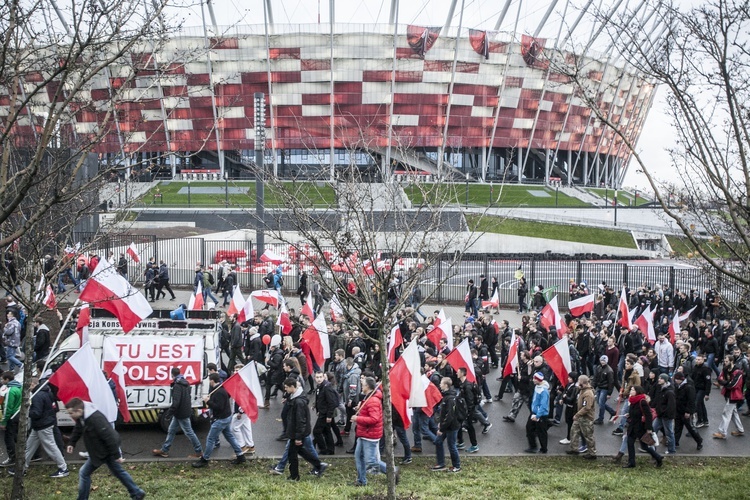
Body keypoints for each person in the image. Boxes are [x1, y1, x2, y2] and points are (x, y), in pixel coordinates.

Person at [65, 398, 146, 500]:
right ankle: (137, 492)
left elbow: (109, 437)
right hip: (101, 449)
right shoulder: (83, 416)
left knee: (84, 473)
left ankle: (82, 498)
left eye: (71, 413)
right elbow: (78, 428)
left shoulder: (95, 419)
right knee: (118, 472)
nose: (70, 415)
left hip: (104, 450)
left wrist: (117, 455)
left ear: (79, 411)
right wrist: (71, 443)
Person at [11, 377, 69, 477]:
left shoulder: (37, 396)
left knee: (50, 447)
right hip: (41, 425)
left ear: (32, 385)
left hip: (42, 425)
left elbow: (36, 413)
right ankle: (21, 468)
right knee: (29, 447)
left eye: (28, 385)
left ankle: (63, 468)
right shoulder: (46, 392)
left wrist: (26, 411)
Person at [192, 373, 246, 467]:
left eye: (209, 380)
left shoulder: (219, 392)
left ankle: (205, 459)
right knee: (229, 436)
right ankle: (240, 456)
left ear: (212, 380)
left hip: (221, 419)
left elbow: (218, 407)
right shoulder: (220, 390)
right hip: (226, 417)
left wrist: (208, 401)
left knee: (210, 439)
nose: (209, 382)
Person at [352, 376, 398, 486]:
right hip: (364, 434)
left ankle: (392, 471)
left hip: (370, 435)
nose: (361, 386)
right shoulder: (368, 397)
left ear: (367, 386)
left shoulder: (373, 400)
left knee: (372, 461)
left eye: (363, 384)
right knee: (359, 457)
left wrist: (357, 418)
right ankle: (361, 481)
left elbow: (374, 419)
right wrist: (360, 410)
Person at [153, 367, 203, 458]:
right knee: (171, 431)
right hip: (183, 411)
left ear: (172, 375)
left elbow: (176, 402)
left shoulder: (177, 386)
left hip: (181, 413)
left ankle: (199, 451)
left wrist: (168, 414)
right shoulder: (186, 383)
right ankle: (164, 450)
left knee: (189, 432)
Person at [284, 377, 327, 481]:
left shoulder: (298, 402)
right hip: (298, 431)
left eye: (286, 388)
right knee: (301, 451)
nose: (285, 389)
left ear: (292, 387)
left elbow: (300, 420)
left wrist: (298, 436)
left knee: (292, 454)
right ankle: (319, 465)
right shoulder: (296, 397)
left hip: (297, 432)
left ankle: (294, 476)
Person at [623, 385, 663, 468]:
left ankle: (658, 457)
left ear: (637, 391)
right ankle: (631, 462)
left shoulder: (642, 401)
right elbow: (634, 412)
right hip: (633, 426)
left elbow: (648, 415)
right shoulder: (632, 401)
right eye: (631, 390)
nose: (631, 391)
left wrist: (648, 428)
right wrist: (629, 415)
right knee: (630, 443)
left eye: (632, 390)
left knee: (645, 446)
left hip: (641, 427)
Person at [432, 377, 462, 473]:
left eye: (441, 383)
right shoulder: (446, 396)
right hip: (446, 425)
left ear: (446, 385)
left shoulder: (450, 399)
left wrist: (442, 428)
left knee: (451, 446)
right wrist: (441, 423)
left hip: (451, 427)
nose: (440, 385)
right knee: (438, 441)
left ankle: (457, 466)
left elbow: (450, 416)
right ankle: (441, 463)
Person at [713, 354, 745, 439]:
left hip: (734, 396)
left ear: (731, 361)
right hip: (728, 394)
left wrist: (725, 383)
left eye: (727, 361)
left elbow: (733, 385)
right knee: (733, 413)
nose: (725, 363)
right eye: (724, 361)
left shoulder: (738, 372)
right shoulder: (725, 368)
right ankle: (740, 429)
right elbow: (720, 378)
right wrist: (727, 383)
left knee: (726, 413)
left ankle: (722, 432)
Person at [566, 374, 597, 459]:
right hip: (580, 417)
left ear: (583, 383)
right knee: (574, 431)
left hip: (586, 418)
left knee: (588, 435)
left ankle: (592, 453)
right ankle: (574, 449)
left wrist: (577, 414)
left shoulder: (588, 394)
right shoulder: (582, 390)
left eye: (579, 382)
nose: (577, 384)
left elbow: (586, 407)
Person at [673, 371, 703, 450]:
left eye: (677, 379)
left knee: (690, 428)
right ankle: (675, 442)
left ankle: (699, 441)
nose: (675, 381)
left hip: (685, 412)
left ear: (681, 379)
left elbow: (691, 400)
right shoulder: (678, 386)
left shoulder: (688, 387)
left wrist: (688, 411)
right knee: (677, 427)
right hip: (678, 410)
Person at [312, 371, 337, 456]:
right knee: (326, 431)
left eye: (320, 377)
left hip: (325, 414)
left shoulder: (326, 387)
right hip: (322, 412)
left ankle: (323, 449)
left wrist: (329, 415)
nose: (319, 379)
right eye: (317, 377)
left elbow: (331, 402)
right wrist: (316, 406)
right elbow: (320, 399)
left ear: (323, 377)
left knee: (316, 431)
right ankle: (330, 449)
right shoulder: (320, 386)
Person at [524, 372, 549, 454]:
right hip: (534, 413)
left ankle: (544, 448)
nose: (533, 380)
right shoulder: (537, 386)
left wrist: (538, 415)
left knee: (541, 432)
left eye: (535, 379)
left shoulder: (544, 391)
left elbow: (543, 405)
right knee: (529, 428)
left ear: (539, 380)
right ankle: (533, 446)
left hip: (540, 415)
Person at [0, 371, 21, 466]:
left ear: (7, 380)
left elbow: (8, 408)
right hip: (18, 414)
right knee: (16, 435)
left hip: (11, 416)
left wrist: (3, 421)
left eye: (2, 379)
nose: (1, 380)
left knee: (8, 438)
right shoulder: (19, 387)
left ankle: (12, 458)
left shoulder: (10, 391)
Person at [652, 373, 677, 454]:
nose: (659, 379)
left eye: (661, 378)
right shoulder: (661, 389)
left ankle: (671, 450)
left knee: (669, 433)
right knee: (653, 430)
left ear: (665, 380)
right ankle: (651, 448)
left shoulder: (669, 392)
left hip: (666, 416)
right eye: (659, 378)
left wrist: (665, 413)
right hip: (660, 415)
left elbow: (671, 406)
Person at [593, 355, 616, 424]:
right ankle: (612, 412)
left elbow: (611, 382)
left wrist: (609, 393)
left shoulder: (609, 371)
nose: (602, 362)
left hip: (605, 389)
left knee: (601, 403)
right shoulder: (598, 367)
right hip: (599, 387)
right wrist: (593, 386)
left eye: (604, 361)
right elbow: (595, 378)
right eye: (601, 360)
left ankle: (600, 419)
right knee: (600, 403)